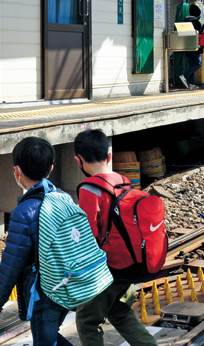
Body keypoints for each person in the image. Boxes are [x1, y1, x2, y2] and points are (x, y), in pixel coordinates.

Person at [73, 130, 157, 346]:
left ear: (78, 160)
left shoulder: (90, 189)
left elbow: (88, 235)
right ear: (109, 157)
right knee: (119, 311)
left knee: (87, 321)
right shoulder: (123, 181)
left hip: (106, 268)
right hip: (129, 262)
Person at [0, 137, 72, 346]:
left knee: (44, 341)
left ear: (16, 172)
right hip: (69, 285)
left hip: (43, 293)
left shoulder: (23, 213)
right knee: (49, 338)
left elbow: (12, 262)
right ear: (51, 168)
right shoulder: (64, 198)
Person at [179, 3, 204, 89]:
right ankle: (184, 75)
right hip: (194, 47)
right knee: (198, 64)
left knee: (191, 65)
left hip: (186, 46)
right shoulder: (196, 23)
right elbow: (199, 36)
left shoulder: (185, 22)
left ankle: (192, 84)